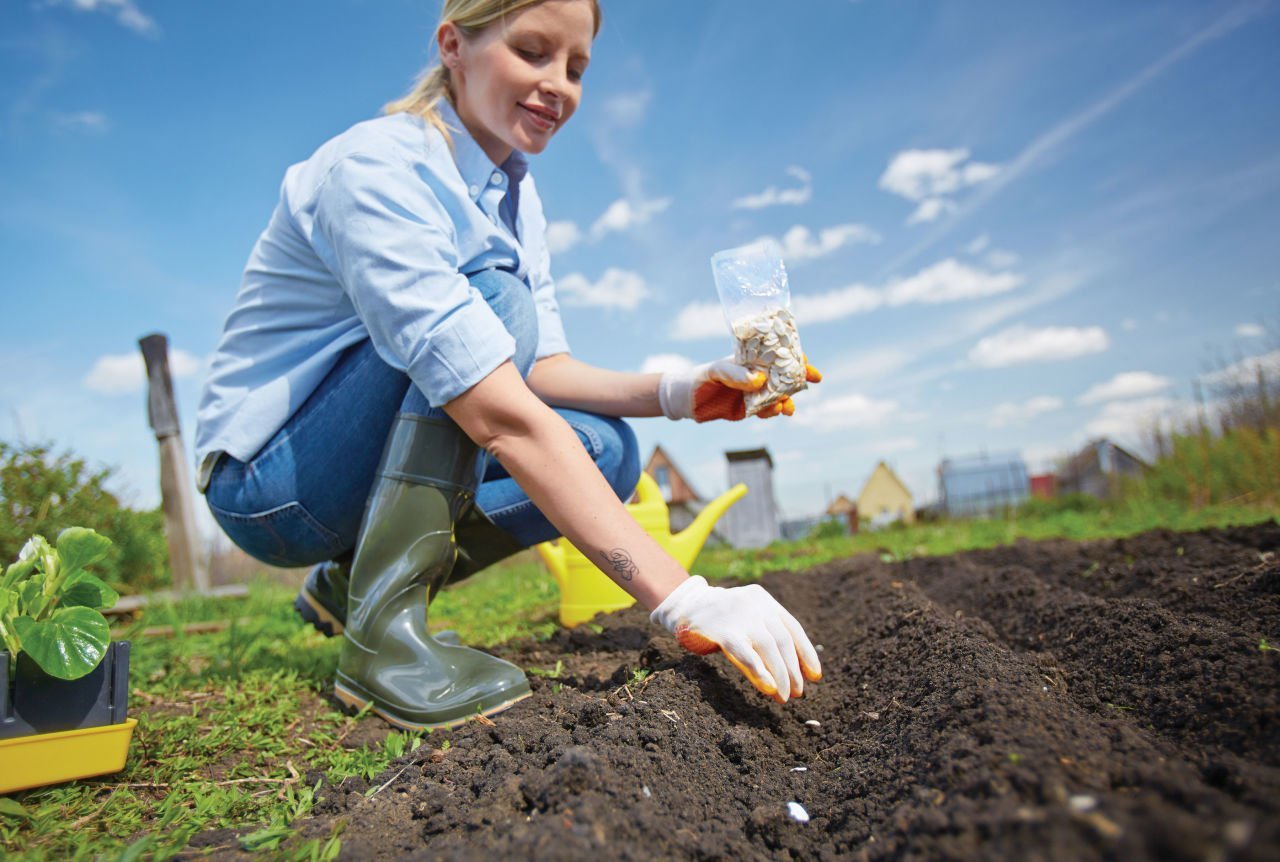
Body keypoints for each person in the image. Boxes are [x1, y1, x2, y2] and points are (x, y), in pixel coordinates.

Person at [195, 0, 823, 732]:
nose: (558, 83)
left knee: (608, 449)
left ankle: (348, 589)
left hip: (351, 457)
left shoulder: (514, 196)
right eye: (532, 51)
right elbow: (496, 407)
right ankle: (382, 645)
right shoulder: (375, 169)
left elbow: (542, 367)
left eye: (576, 66)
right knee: (495, 301)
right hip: (273, 485)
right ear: (452, 45)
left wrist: (681, 393)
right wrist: (684, 597)